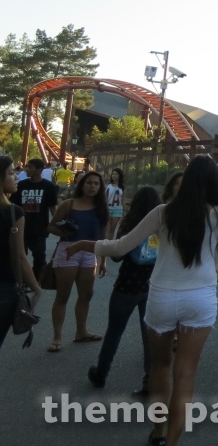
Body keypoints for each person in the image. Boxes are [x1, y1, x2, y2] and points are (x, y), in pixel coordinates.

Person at [68, 154, 218, 446]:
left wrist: (86, 244)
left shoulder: (163, 212)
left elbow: (121, 245)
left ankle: (157, 431)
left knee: (160, 366)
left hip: (162, 298)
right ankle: (172, 442)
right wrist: (209, 280)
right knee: (186, 375)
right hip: (201, 299)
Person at [88, 186, 161, 391]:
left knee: (114, 331)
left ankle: (101, 374)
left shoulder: (128, 223)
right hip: (152, 286)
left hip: (126, 285)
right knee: (149, 336)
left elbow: (117, 256)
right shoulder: (162, 224)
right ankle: (150, 381)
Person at [47, 170, 109, 351]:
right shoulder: (69, 204)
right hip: (68, 250)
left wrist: (103, 260)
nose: (92, 187)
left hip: (90, 252)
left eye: (96, 184)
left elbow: (102, 236)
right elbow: (51, 226)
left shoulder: (101, 207)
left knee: (86, 295)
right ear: (82, 184)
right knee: (63, 295)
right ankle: (57, 337)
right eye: (89, 183)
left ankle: (81, 332)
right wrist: (64, 232)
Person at [0, 155, 43, 350]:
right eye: (11, 173)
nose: (16, 177)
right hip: (4, 287)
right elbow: (19, 255)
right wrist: (36, 287)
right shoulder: (12, 213)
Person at [12, 157, 59, 279]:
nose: (26, 169)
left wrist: (58, 224)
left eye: (30, 167)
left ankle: (36, 280)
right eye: (27, 166)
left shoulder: (48, 186)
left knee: (39, 258)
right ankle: (21, 281)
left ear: (39, 170)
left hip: (39, 229)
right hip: (21, 228)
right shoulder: (20, 186)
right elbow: (13, 207)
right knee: (18, 257)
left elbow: (52, 208)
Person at [105, 168, 126, 238]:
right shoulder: (107, 185)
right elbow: (104, 197)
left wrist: (124, 211)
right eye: (113, 174)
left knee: (113, 229)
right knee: (106, 228)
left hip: (117, 210)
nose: (114, 176)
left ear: (119, 176)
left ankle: (110, 244)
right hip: (107, 208)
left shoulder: (122, 187)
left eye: (116, 174)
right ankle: (104, 243)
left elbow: (123, 200)